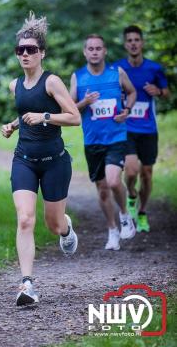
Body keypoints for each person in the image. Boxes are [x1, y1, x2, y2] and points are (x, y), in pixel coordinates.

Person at [1, 12, 80, 306]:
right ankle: (27, 285)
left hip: (54, 161)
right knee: (24, 219)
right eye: (20, 50)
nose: (25, 54)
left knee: (53, 224)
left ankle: (66, 227)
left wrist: (45, 116)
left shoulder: (52, 82)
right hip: (23, 159)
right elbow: (26, 114)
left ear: (41, 53)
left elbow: (74, 118)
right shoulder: (15, 85)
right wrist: (14, 124)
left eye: (31, 49)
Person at [70, 34, 136, 251]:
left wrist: (126, 110)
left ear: (105, 51)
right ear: (85, 52)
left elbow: (132, 91)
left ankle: (125, 216)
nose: (95, 52)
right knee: (102, 189)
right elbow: (69, 110)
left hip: (116, 137)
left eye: (99, 48)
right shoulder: (77, 77)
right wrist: (85, 102)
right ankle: (112, 229)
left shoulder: (116, 73)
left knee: (114, 181)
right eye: (91, 48)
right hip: (93, 141)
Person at [113, 25, 169, 232]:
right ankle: (131, 195)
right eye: (130, 40)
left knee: (146, 173)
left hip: (148, 129)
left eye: (137, 40)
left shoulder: (154, 68)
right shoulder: (118, 69)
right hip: (127, 128)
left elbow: (167, 92)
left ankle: (143, 212)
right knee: (131, 169)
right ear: (125, 44)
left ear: (142, 43)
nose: (133, 43)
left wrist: (159, 92)